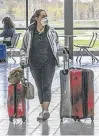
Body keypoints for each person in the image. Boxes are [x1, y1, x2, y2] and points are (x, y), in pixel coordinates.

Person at [20, 9, 62, 121]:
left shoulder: (51, 31)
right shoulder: (29, 32)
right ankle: (44, 110)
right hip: (34, 63)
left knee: (47, 85)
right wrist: (23, 59)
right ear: (36, 18)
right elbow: (23, 48)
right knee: (40, 87)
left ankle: (45, 110)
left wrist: (59, 49)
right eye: (43, 16)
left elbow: (57, 43)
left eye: (46, 16)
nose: (45, 18)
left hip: (49, 62)